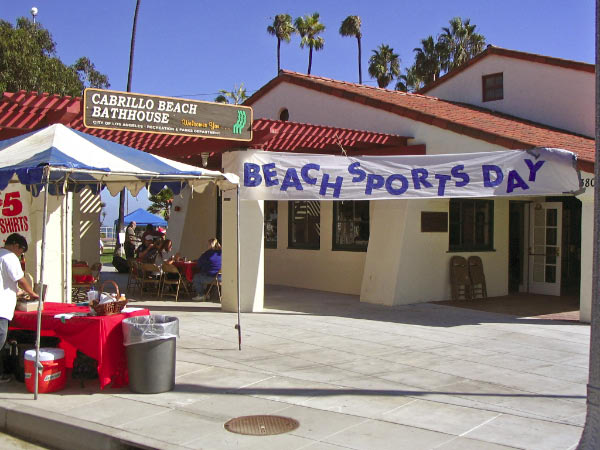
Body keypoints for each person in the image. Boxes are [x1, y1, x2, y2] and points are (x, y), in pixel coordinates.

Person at [0, 233, 38, 383]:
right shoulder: (10, 257)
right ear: (16, 246)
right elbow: (21, 280)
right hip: (2, 308)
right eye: (21, 251)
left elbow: (5, 281)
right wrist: (32, 293)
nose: (21, 255)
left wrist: (17, 292)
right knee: (1, 340)